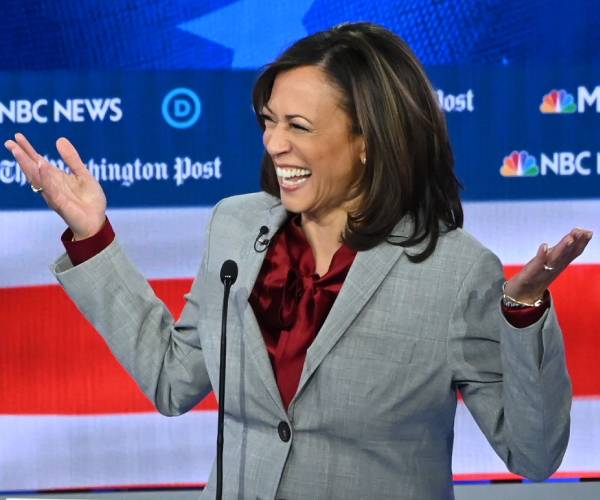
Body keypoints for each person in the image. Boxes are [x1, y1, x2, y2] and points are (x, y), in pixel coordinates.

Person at [4, 22, 592, 500]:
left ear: (367, 140)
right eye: (269, 121)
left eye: (298, 126)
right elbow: (173, 379)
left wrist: (522, 312)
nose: (273, 142)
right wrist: (92, 237)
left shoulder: (455, 271)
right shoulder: (235, 228)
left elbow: (533, 454)